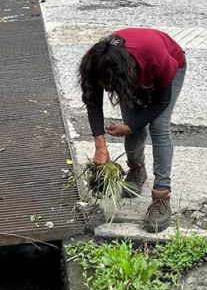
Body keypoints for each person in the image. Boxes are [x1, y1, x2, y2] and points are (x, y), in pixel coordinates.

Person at [79, 28, 186, 233]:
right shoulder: (96, 64)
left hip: (171, 66)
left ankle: (161, 196)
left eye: (110, 85)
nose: (108, 90)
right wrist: (100, 147)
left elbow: (161, 101)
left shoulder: (155, 57)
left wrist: (130, 127)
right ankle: (137, 169)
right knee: (133, 123)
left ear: (121, 75)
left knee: (158, 126)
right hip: (131, 73)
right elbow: (93, 103)